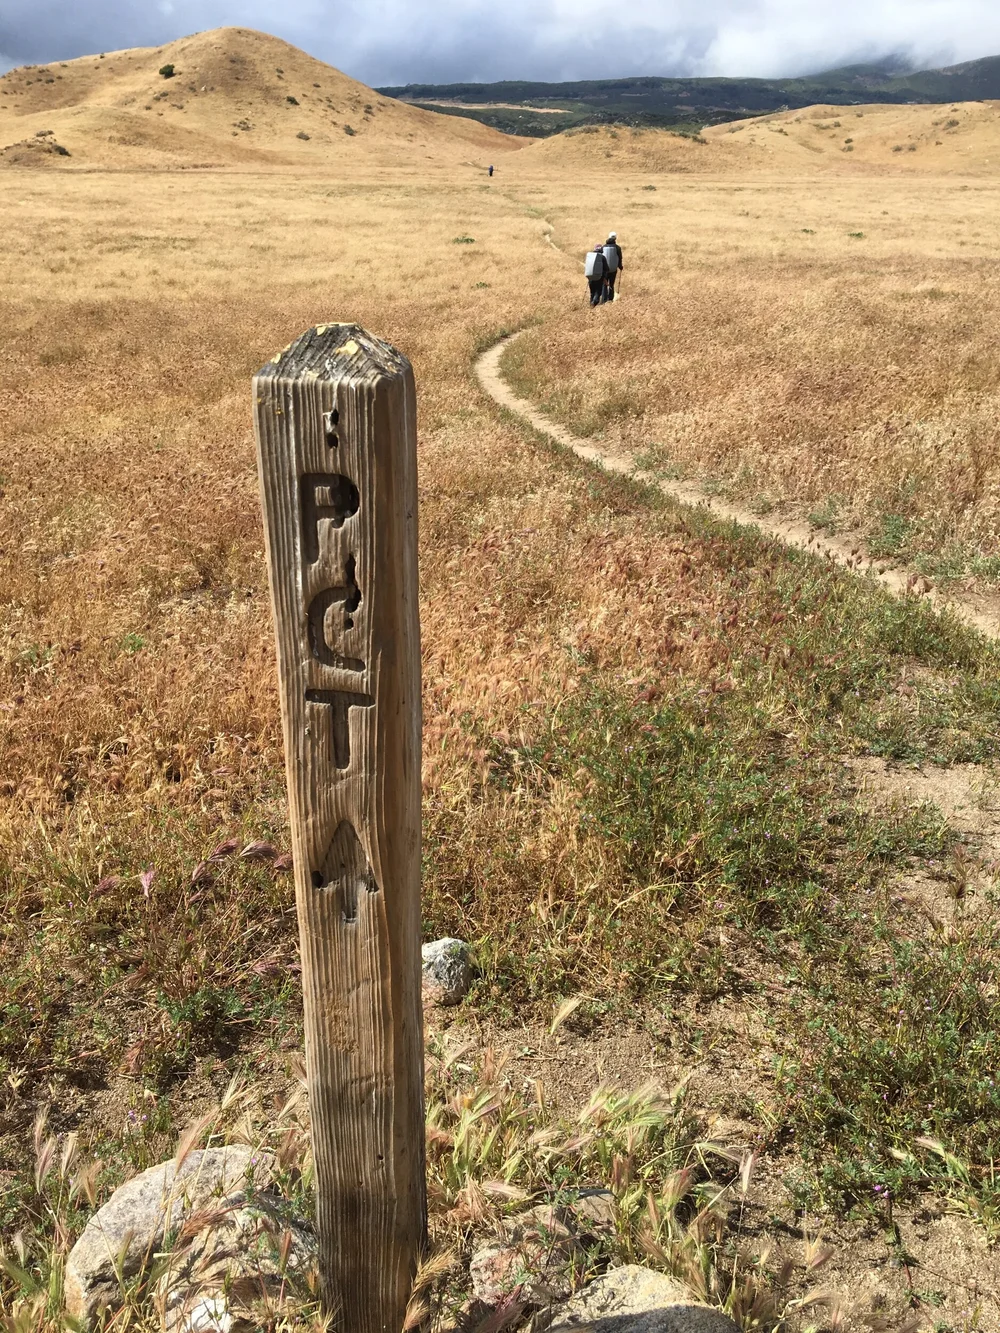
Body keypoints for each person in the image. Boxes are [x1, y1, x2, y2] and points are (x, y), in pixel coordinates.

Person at [602, 231, 623, 302]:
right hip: (613, 269)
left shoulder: (603, 247)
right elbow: (620, 258)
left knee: (604, 284)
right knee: (611, 284)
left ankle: (604, 300)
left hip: (605, 270)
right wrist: (620, 266)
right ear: (615, 238)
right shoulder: (618, 248)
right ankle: (610, 299)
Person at [585, 240, 607, 306]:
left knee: (592, 292)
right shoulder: (602, 257)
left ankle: (591, 304)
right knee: (598, 292)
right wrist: (604, 277)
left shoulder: (590, 256)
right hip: (599, 278)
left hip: (590, 278)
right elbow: (606, 268)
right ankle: (594, 303)